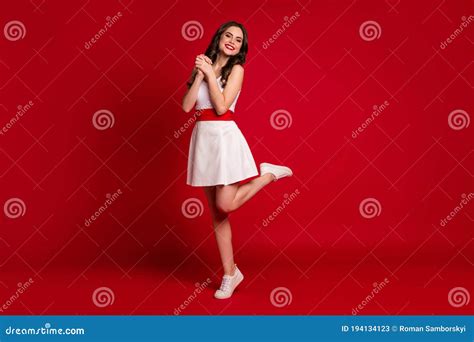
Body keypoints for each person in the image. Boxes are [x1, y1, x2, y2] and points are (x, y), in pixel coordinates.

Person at [182, 21, 293, 299]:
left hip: (224, 137)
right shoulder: (205, 66)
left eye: (238, 39)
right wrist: (200, 74)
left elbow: (221, 107)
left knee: (225, 203)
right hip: (203, 138)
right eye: (228, 35)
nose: (232, 40)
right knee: (217, 215)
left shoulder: (238, 70)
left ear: (241, 47)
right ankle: (230, 274)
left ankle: (266, 174)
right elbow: (186, 106)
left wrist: (209, 74)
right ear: (219, 37)